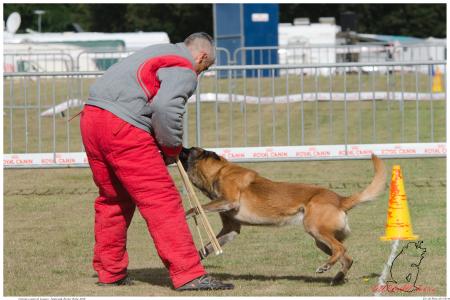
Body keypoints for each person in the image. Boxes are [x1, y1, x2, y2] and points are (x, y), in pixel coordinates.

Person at [80, 32, 234, 291]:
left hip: (91, 118)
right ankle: (189, 274)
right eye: (203, 69)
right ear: (202, 56)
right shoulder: (184, 67)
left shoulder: (159, 50)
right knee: (162, 200)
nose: (199, 74)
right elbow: (165, 107)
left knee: (113, 200)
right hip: (123, 126)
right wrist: (171, 146)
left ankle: (110, 271)